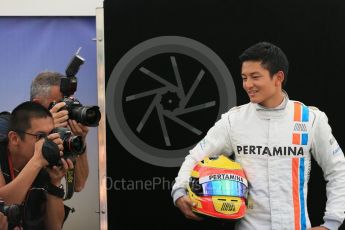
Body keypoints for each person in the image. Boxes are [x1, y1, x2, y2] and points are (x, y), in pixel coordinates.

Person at [172, 42, 345, 230]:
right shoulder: (234, 120)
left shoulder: (310, 119)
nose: (248, 85)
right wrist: (179, 191)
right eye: (244, 78)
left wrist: (331, 223)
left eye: (255, 77)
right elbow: (196, 156)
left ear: (278, 77)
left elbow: (337, 169)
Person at [0, 101, 73, 230]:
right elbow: (2, 204)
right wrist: (36, 162)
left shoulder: (46, 161)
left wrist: (54, 183)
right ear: (14, 138)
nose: (48, 141)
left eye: (51, 134)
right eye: (41, 136)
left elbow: (54, 227)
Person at [30, 71, 89, 192]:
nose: (65, 112)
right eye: (59, 106)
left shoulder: (62, 134)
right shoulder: (15, 131)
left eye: (67, 105)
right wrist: (45, 130)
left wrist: (80, 141)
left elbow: (79, 184)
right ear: (36, 105)